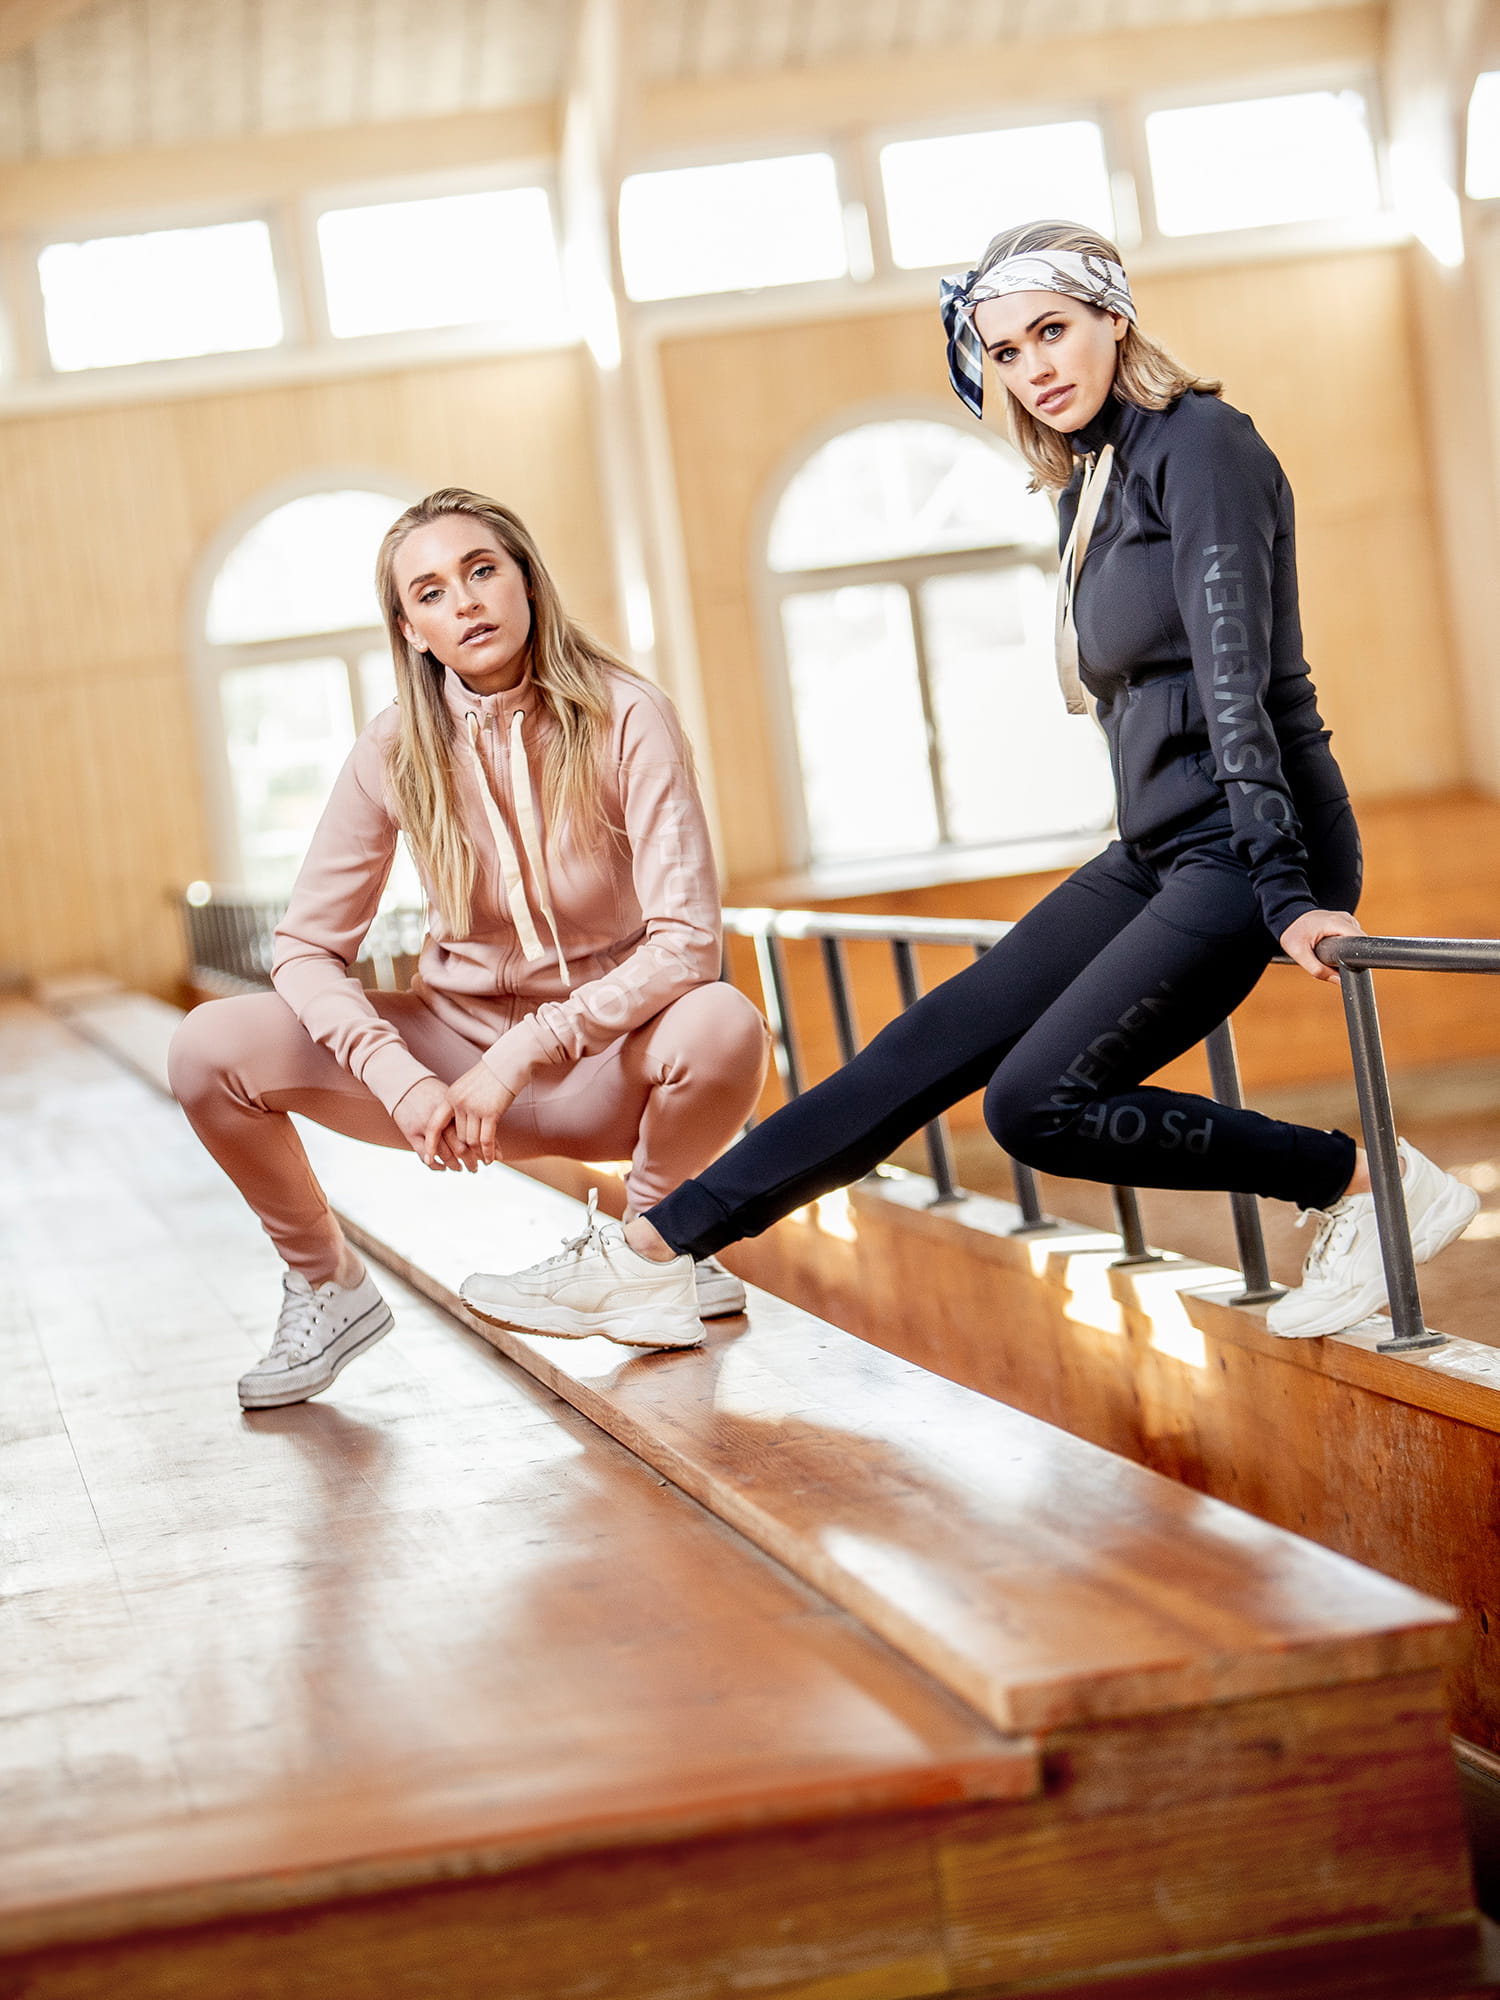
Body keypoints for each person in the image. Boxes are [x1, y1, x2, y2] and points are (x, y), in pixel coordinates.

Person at [460, 220, 1476, 1348]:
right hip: (1158, 846)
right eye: (1004, 351)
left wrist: (1287, 890)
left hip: (1249, 840)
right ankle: (654, 1251)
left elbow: (1241, 682)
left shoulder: (1204, 445)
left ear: (1114, 316)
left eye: (1053, 330)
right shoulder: (1090, 479)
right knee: (921, 1047)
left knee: (1036, 1104)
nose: (1033, 367)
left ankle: (1362, 1183)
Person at [170, 488, 769, 1407]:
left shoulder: (627, 713)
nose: (466, 602)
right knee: (207, 1049)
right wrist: (400, 1079)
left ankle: (653, 1249)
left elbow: (687, 942)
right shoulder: (392, 750)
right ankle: (327, 1285)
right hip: (447, 1070)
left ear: (526, 580)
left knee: (724, 1020)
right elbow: (303, 950)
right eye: (432, 592)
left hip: (606, 1062)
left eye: (482, 570)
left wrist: (524, 1052)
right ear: (410, 630)